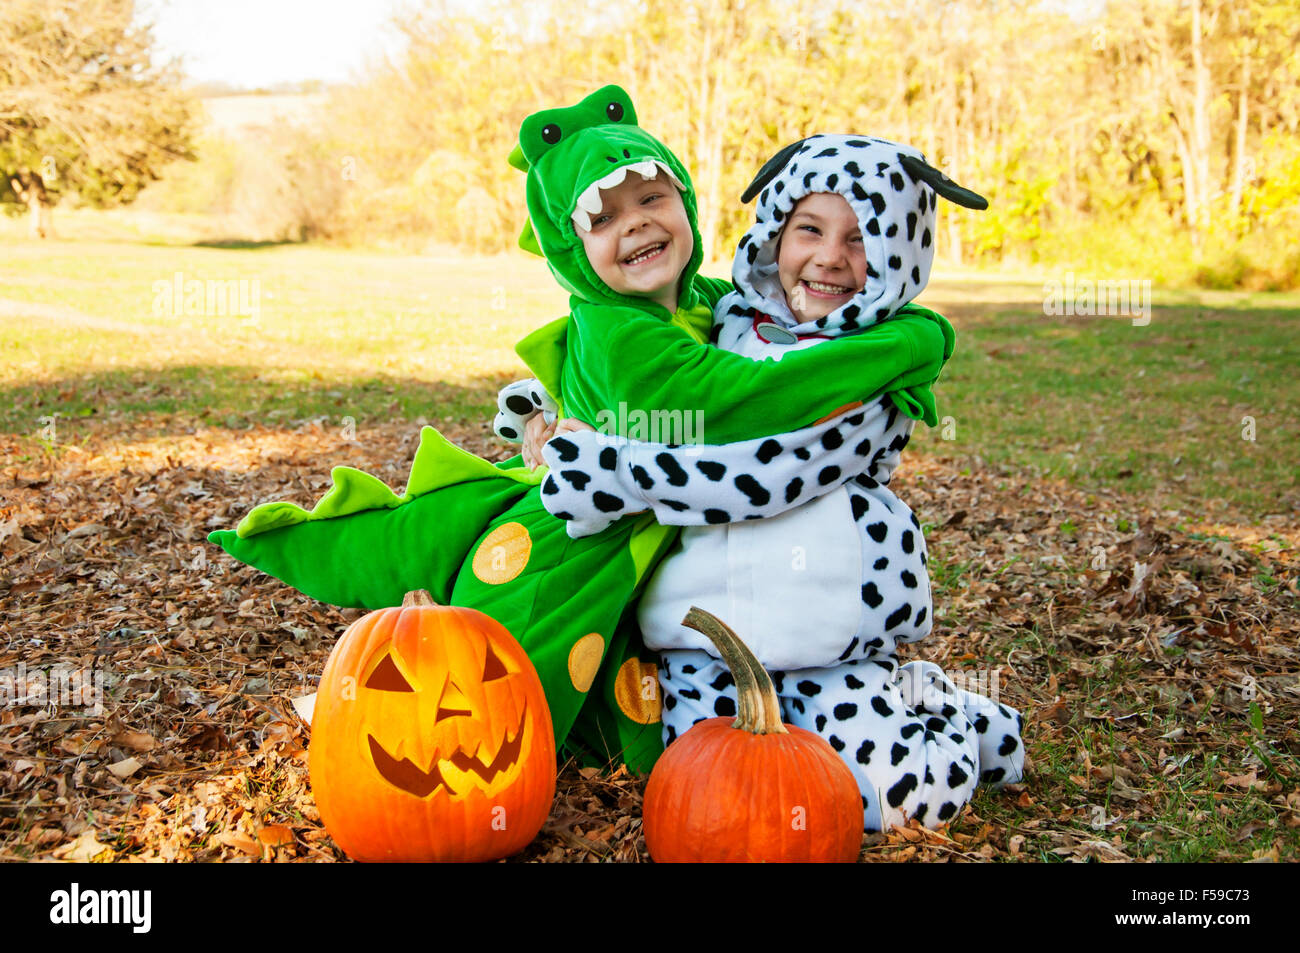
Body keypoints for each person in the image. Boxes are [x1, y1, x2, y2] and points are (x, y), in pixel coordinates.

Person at [210, 91, 953, 776]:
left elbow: (758, 323)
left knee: (623, 681)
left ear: (686, 205)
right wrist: (903, 343)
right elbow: (739, 400)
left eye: (652, 197)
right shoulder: (620, 328)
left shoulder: (693, 299)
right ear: (573, 253)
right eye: (603, 218)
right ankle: (366, 718)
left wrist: (540, 409)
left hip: (633, 538)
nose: (635, 222)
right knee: (503, 677)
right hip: (569, 547)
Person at [519, 135, 1025, 830]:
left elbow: (762, 478)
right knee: (712, 792)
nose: (828, 257)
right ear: (773, 234)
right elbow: (651, 393)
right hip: (704, 641)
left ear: (899, 250)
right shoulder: (729, 317)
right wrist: (555, 414)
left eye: (862, 236)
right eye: (808, 229)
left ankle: (957, 719)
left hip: (824, 634)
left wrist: (615, 476)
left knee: (897, 802)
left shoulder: (868, 368)